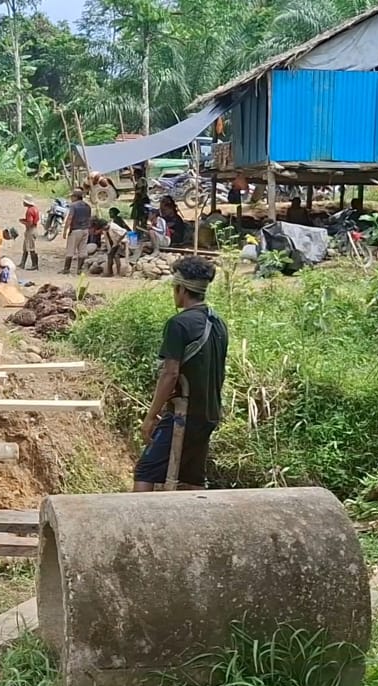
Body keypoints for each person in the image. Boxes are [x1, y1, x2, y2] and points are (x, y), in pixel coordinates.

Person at [134, 256, 228, 493]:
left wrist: (150, 417)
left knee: (146, 471)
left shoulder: (179, 324)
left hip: (183, 415)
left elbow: (170, 373)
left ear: (182, 290)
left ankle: (137, 517)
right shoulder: (218, 322)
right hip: (209, 414)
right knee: (191, 478)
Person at [62, 190, 92, 275]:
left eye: (72, 196)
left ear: (75, 197)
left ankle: (66, 269)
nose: (71, 198)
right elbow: (89, 218)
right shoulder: (87, 206)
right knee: (82, 250)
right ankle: (79, 269)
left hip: (75, 230)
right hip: (85, 229)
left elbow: (70, 218)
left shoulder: (73, 206)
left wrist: (65, 230)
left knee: (70, 250)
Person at [19, 196, 40, 270]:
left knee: (31, 248)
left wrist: (23, 222)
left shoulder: (29, 211)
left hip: (30, 230)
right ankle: (23, 263)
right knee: (26, 247)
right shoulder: (35, 209)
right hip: (34, 229)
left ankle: (34, 265)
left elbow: (30, 223)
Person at [132, 165, 150, 230]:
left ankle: (142, 230)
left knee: (143, 217)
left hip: (143, 200)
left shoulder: (141, 180)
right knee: (140, 217)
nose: (134, 176)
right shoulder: (141, 180)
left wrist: (135, 200)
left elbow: (139, 192)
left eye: (135, 175)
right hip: (141, 201)